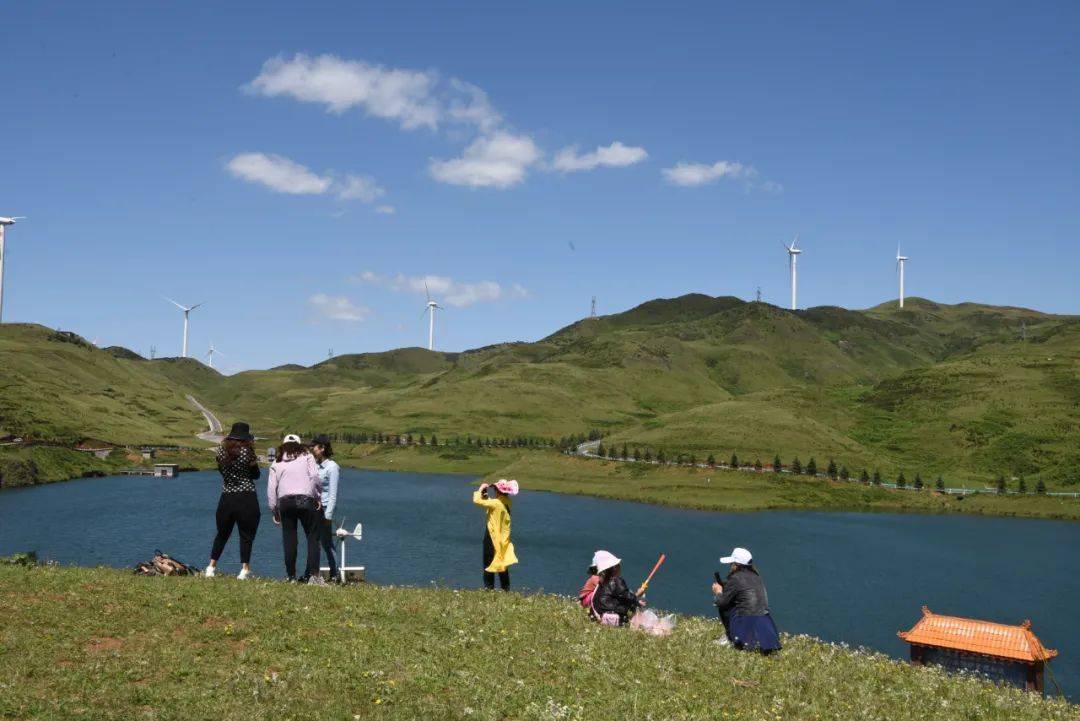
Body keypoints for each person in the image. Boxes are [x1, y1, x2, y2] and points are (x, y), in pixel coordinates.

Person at [205, 422, 261, 579]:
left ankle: (211, 567)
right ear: (246, 438)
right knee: (246, 535)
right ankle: (244, 569)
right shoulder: (247, 452)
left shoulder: (221, 452)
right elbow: (256, 475)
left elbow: (222, 471)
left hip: (227, 496)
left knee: (222, 533)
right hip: (246, 496)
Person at [267, 434, 322, 582]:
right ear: (299, 445)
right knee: (312, 537)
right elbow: (315, 477)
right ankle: (313, 575)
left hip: (285, 503)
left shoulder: (276, 462)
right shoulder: (307, 456)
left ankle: (291, 576)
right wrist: (317, 496)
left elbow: (272, 489)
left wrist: (274, 510)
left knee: (289, 538)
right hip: (305, 500)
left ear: (283, 445)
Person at [711, 547, 781, 653]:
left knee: (724, 605)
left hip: (746, 625)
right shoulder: (756, 577)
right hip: (767, 630)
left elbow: (722, 603)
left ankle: (730, 638)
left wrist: (718, 591)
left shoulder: (735, 578)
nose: (731, 566)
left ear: (736, 565)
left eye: (732, 563)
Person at [472, 479, 519, 590]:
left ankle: (489, 588)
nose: (493, 491)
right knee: (502, 563)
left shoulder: (496, 503)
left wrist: (480, 489)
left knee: (488, 563)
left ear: (498, 491)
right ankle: (505, 589)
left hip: (491, 537)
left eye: (495, 489)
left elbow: (477, 501)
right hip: (502, 539)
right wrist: (486, 497)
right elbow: (493, 504)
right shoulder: (507, 502)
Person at [310, 434, 340, 583]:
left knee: (326, 543)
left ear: (322, 448)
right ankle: (312, 572)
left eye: (314, 446)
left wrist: (328, 515)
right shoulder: (314, 465)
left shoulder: (332, 467)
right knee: (313, 541)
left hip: (325, 508)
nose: (312, 448)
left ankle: (335, 574)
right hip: (314, 507)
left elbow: (333, 493)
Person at [591, 550, 645, 625]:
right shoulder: (617, 581)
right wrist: (638, 595)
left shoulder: (601, 583)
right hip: (614, 618)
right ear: (615, 568)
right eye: (618, 565)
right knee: (635, 605)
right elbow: (627, 596)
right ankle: (636, 625)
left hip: (600, 616)